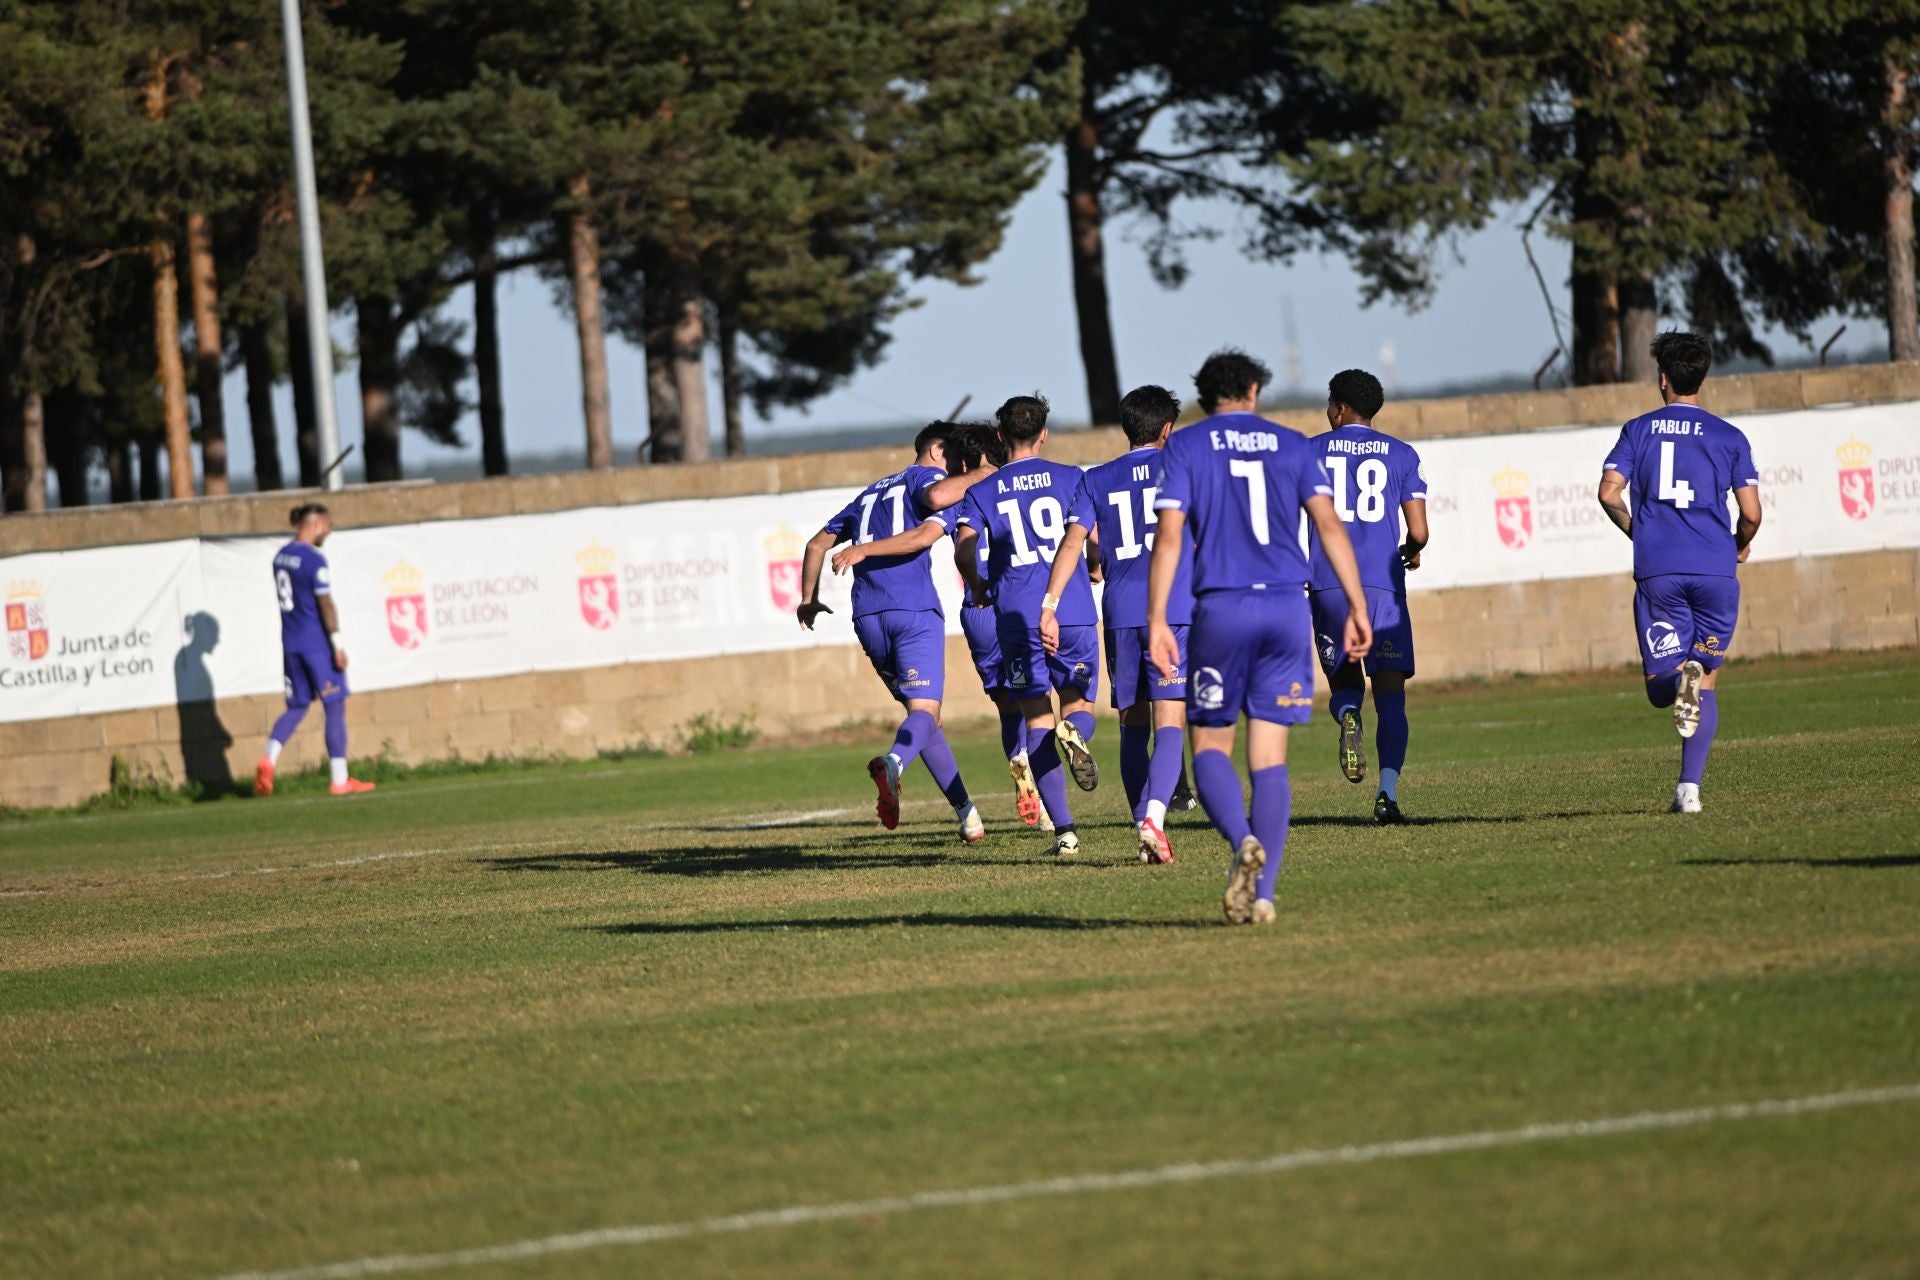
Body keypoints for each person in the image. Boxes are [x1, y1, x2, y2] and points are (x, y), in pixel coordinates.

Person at [1147, 349, 1371, 924]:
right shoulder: (1294, 444)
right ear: (1253, 390)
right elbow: (1328, 525)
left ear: (1204, 397)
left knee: (1209, 750)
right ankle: (1263, 893)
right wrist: (1356, 604)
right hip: (1285, 609)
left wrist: (1155, 621)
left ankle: (1242, 840)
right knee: (1269, 761)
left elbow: (1169, 539)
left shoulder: (1187, 447)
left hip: (1221, 609)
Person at [796, 423, 997, 839]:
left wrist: (807, 598)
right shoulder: (927, 478)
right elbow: (928, 527)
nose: (960, 466)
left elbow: (816, 545)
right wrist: (984, 473)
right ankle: (894, 763)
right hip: (913, 611)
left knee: (923, 719)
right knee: (925, 713)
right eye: (956, 457)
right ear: (938, 451)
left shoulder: (869, 493)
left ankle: (967, 814)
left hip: (868, 618)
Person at [1597, 331, 1761, 813]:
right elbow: (1751, 513)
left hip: (1660, 572)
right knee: (1705, 679)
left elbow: (1609, 493)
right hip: (1715, 571)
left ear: (1663, 379)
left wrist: (1637, 532)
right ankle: (1689, 790)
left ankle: (1677, 682)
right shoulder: (1729, 436)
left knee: (1659, 689)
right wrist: (1738, 544)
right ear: (1702, 379)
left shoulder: (1637, 430)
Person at [1039, 384, 1192, 864]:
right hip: (1173, 611)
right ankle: (1154, 821)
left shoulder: (1095, 479)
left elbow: (1072, 544)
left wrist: (1050, 603)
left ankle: (1141, 827)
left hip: (1122, 614)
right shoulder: (1185, 467)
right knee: (1171, 720)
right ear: (1167, 428)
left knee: (1132, 725)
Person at [953, 394, 1099, 857]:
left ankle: (1066, 832)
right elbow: (1091, 539)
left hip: (1015, 616)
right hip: (1071, 609)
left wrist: (977, 583)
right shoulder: (1073, 478)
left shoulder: (980, 491)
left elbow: (964, 548)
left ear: (999, 437)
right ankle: (1074, 735)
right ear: (1044, 434)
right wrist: (1094, 567)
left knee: (1036, 719)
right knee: (1078, 706)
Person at [1306, 368, 1429, 824]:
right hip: (1382, 586)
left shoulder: (1310, 450)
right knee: (1392, 696)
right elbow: (1418, 531)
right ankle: (1388, 795)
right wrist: (1410, 552)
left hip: (1328, 583)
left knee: (1344, 684)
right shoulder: (1401, 454)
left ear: (1338, 409)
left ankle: (1348, 717)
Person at [255, 504, 376, 797]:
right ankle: (339, 779)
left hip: (291, 644)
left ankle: (268, 759)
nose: (330, 532)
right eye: (328, 525)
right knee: (335, 704)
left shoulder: (281, 557)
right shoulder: (313, 560)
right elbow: (325, 604)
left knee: (296, 707)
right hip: (316, 644)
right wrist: (337, 644)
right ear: (316, 524)